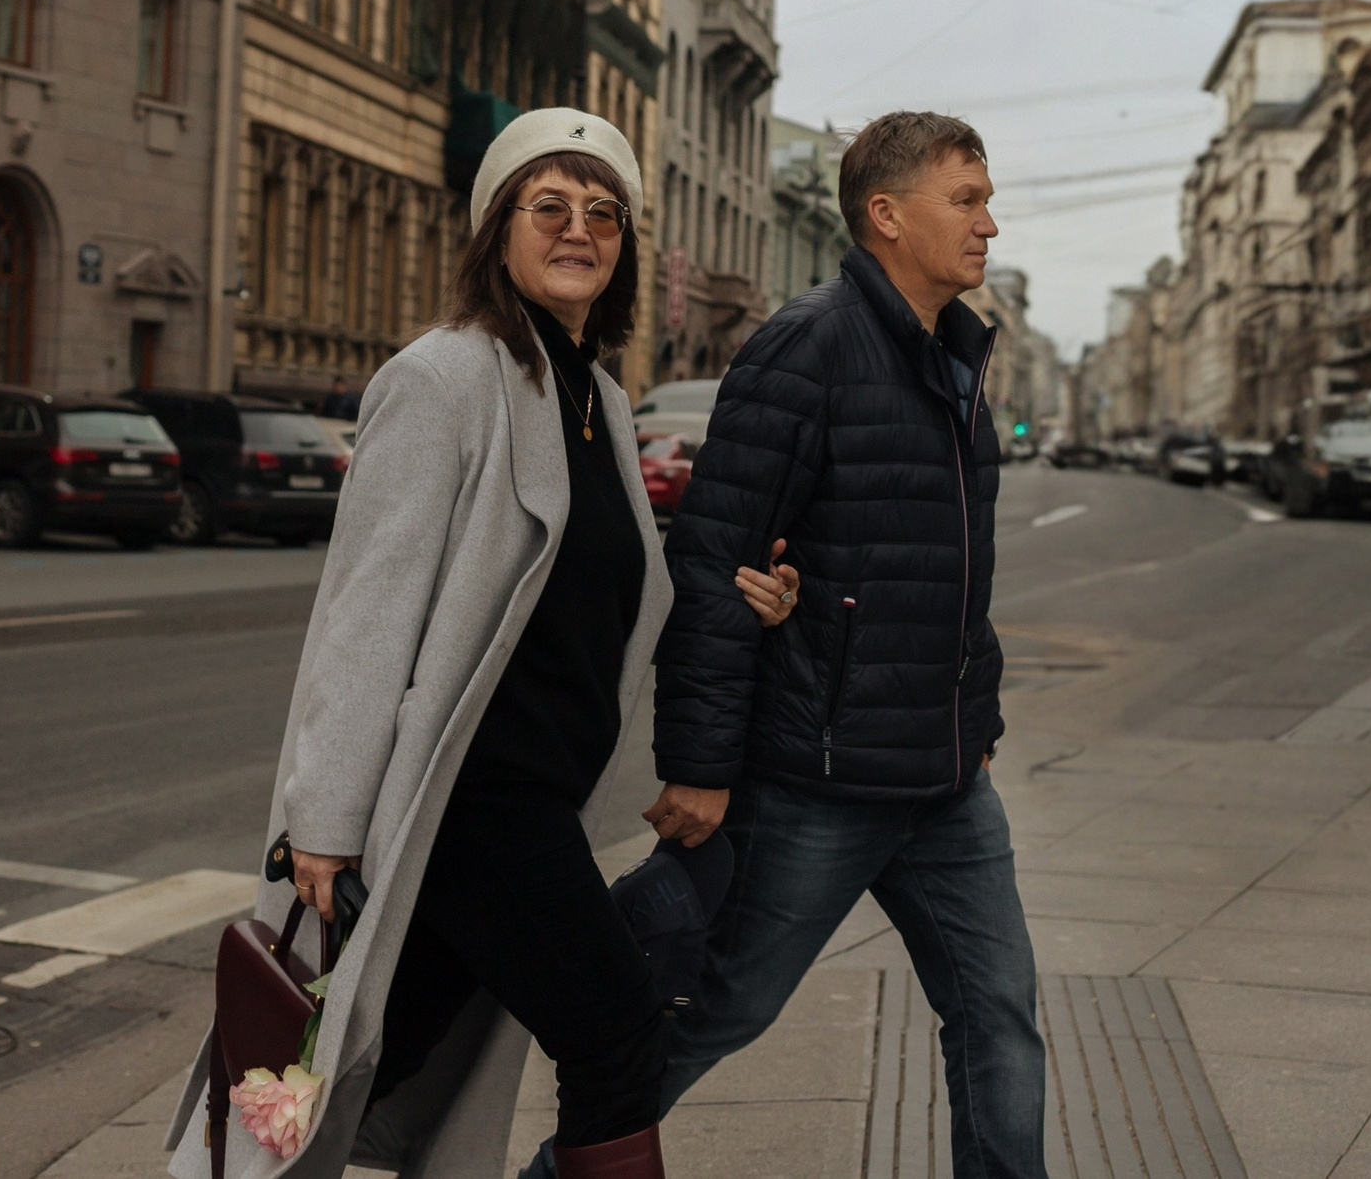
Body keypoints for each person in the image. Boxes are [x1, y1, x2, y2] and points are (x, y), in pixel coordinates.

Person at [170, 109, 719, 1179]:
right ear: (495, 231)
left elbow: (604, 588)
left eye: (602, 212)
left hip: (532, 797)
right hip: (470, 800)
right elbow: (365, 611)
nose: (579, 230)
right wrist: (320, 818)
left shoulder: (596, 396)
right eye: (548, 206)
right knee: (613, 1029)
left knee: (351, 1059)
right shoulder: (443, 379)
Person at [525, 110, 1046, 1178]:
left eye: (987, 199)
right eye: (968, 198)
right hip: (818, 775)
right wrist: (700, 769)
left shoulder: (957, 357)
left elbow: (954, 580)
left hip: (945, 781)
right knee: (715, 1013)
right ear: (886, 215)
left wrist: (976, 718)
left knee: (998, 1016)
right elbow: (714, 563)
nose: (989, 223)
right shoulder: (806, 346)